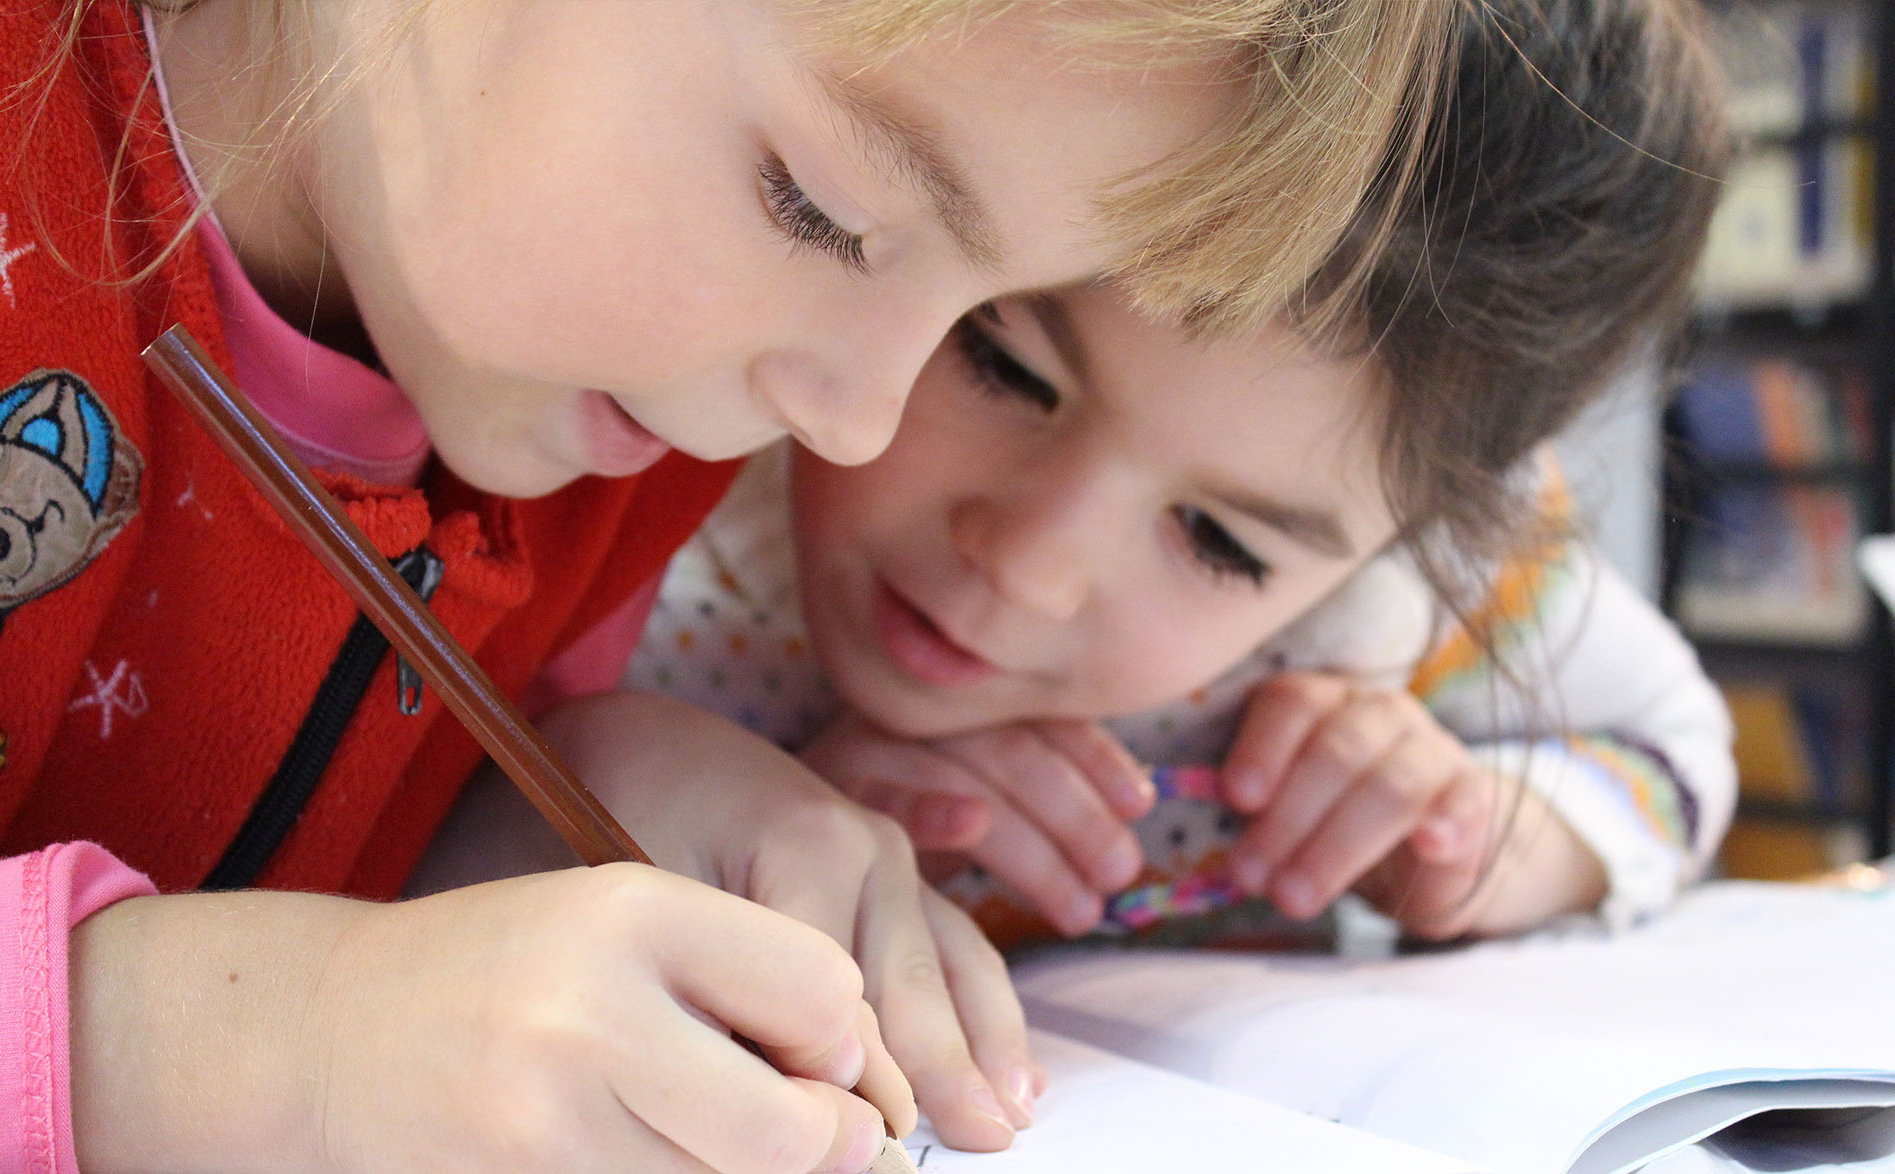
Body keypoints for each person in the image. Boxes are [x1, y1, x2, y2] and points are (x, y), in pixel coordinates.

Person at [0, 1, 1457, 1171]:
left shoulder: (616, 422)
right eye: (821, 209)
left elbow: (334, 852)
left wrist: (590, 790)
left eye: (977, 311)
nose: (856, 420)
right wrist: (263, 1046)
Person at [564, 0, 1738, 950]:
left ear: (1411, 536)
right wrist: (720, 824)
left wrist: (1495, 838)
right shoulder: (660, 448)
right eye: (1005, 367)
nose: (1029, 565)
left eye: (1222, 543)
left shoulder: (1415, 599)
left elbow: (1675, 748)